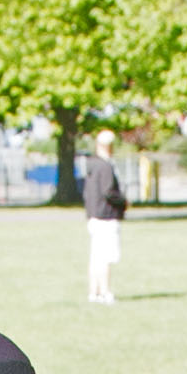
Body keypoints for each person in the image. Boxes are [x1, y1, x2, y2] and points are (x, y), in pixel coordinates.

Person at [83, 128, 128, 300]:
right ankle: (105, 291)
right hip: (106, 216)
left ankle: (93, 292)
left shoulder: (91, 165)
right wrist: (123, 202)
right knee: (105, 257)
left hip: (94, 216)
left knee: (95, 258)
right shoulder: (106, 166)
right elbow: (109, 191)